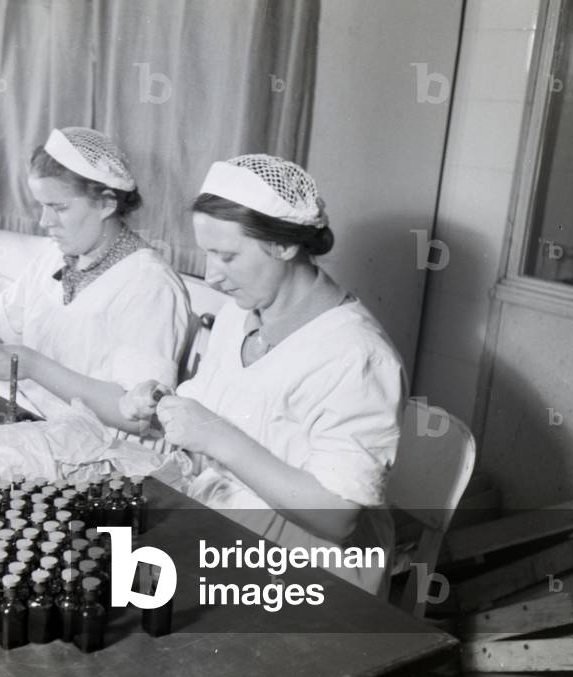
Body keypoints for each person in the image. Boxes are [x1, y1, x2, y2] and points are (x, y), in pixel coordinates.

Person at [119, 154, 406, 593]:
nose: (211, 276)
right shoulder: (241, 313)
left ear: (284, 246)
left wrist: (215, 435)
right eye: (207, 253)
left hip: (311, 567)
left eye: (227, 256)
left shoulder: (357, 355)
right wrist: (163, 409)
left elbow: (338, 517)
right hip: (229, 523)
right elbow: (220, 417)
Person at [0, 127, 191, 433]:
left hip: (91, 442)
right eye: (41, 206)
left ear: (106, 203)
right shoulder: (55, 256)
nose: (44, 221)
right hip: (29, 418)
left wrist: (32, 365)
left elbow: (138, 417)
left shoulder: (150, 285)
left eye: (59, 208)